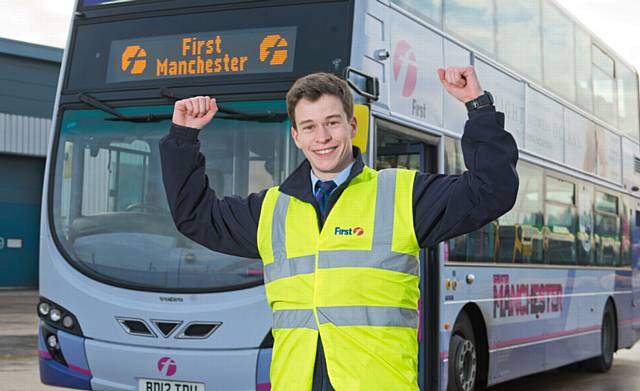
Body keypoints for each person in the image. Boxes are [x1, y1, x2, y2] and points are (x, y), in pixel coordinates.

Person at [159, 67, 518, 391]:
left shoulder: (402, 196)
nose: (323, 137)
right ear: (296, 136)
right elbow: (195, 215)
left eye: (332, 122)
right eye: (310, 127)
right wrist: (183, 138)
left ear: (352, 125)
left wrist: (479, 107)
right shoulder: (271, 209)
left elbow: (492, 191)